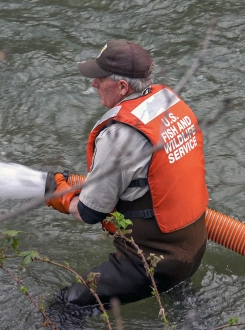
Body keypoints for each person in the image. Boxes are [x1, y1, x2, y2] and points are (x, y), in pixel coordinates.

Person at [46, 40, 208, 307]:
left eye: (100, 79)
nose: (93, 84)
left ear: (122, 87)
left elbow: (90, 212)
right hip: (194, 249)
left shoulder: (119, 134)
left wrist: (60, 196)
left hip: (153, 263)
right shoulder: (169, 102)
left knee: (67, 303)